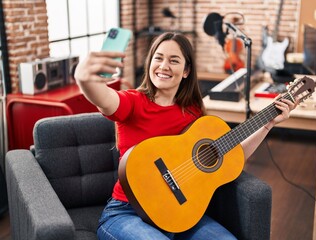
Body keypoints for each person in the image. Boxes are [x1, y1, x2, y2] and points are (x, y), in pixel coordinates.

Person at [75, 32, 297, 240]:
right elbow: (103, 98)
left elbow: (232, 156)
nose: (163, 66)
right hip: (126, 213)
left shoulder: (193, 113)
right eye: (158, 58)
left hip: (180, 215)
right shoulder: (132, 102)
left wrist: (268, 123)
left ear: (186, 71)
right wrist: (84, 79)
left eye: (174, 60)